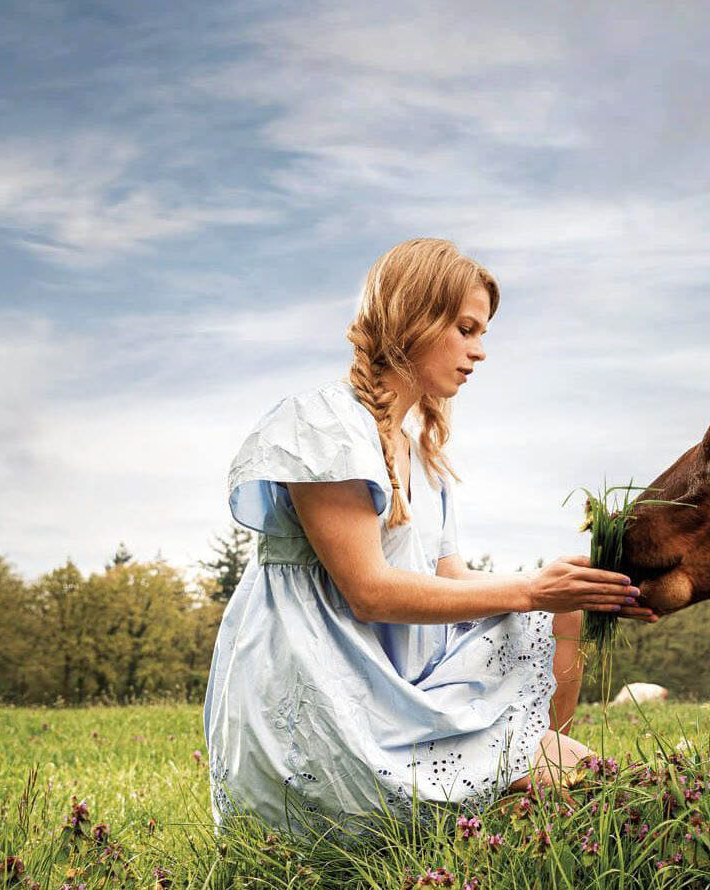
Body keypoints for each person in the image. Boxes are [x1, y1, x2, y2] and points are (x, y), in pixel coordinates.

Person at [203, 237, 657, 833]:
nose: (480, 351)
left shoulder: (424, 454)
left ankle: (523, 775)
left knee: (555, 620)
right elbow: (370, 591)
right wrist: (531, 590)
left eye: (483, 334)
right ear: (413, 316)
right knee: (588, 770)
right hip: (325, 692)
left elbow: (451, 581)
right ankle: (515, 779)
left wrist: (575, 585)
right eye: (466, 329)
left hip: (399, 670)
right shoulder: (323, 423)